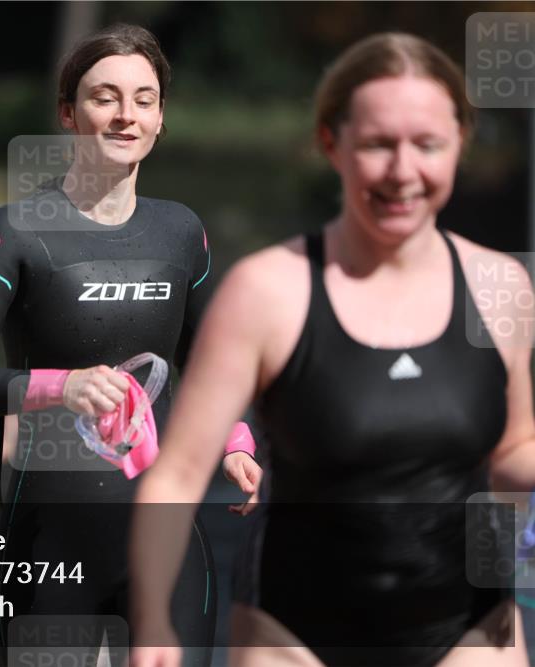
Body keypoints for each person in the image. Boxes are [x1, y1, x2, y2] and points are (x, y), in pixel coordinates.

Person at [130, 32, 535, 667]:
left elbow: (512, 450)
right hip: (294, 635)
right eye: (378, 144)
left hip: (469, 632)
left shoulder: (500, 285)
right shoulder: (266, 291)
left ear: (460, 142)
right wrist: (153, 618)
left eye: (427, 144)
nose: (403, 171)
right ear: (331, 143)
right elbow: (178, 474)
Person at [0, 23, 237, 666]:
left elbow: (216, 364)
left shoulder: (181, 231)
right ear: (68, 114)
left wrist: (238, 442)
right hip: (47, 551)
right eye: (105, 97)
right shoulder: (13, 232)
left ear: (160, 118)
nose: (126, 115)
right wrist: (61, 387)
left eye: (144, 99)